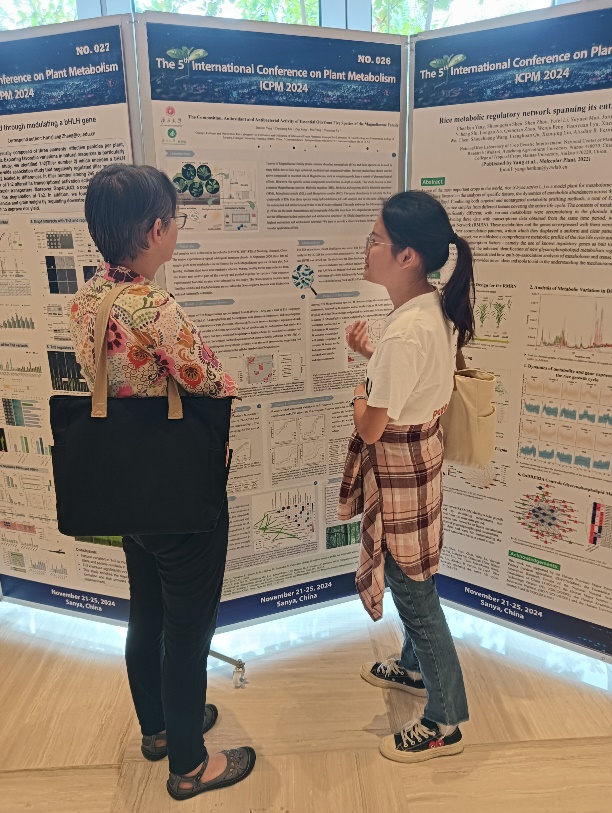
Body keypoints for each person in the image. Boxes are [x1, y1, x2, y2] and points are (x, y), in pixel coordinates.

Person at [69, 164, 255, 800]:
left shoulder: (86, 300)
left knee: (145, 613)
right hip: (177, 492)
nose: (176, 229)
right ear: (155, 230)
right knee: (188, 631)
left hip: (126, 488)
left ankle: (158, 729)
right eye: (175, 220)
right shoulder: (156, 307)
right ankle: (190, 765)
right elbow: (215, 383)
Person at [340, 190, 472, 764]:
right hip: (421, 465)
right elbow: (413, 377)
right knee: (415, 576)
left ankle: (445, 721)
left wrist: (359, 391)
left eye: (376, 240)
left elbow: (371, 427)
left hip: (400, 471)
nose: (367, 248)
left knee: (415, 594)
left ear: (407, 256)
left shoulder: (404, 331)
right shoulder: (431, 307)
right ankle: (415, 670)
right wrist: (374, 357)